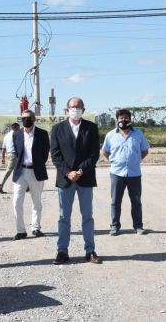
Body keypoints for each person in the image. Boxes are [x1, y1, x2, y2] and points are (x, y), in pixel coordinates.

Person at [50, 97, 102, 265]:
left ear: (83, 109)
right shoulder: (58, 129)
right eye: (73, 106)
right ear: (67, 109)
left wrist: (80, 171)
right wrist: (68, 172)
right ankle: (62, 251)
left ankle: (90, 251)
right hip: (66, 180)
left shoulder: (91, 128)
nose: (75, 109)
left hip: (85, 178)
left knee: (87, 216)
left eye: (79, 106)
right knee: (64, 217)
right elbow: (55, 155)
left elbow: (94, 154)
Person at [101, 109, 150, 236]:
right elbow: (104, 151)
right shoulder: (111, 135)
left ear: (130, 119)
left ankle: (138, 226)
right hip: (117, 173)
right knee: (115, 201)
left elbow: (145, 150)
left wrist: (136, 160)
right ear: (117, 120)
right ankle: (115, 226)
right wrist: (113, 162)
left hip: (134, 173)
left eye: (126, 118)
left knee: (136, 201)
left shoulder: (138, 134)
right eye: (121, 118)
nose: (123, 120)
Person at [11, 110, 50, 240]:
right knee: (17, 201)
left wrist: (37, 164)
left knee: (36, 201)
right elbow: (17, 153)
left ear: (34, 119)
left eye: (28, 118)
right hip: (21, 172)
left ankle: (36, 228)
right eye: (23, 118)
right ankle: (21, 230)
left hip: (36, 171)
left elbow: (45, 153)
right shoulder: (16, 134)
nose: (25, 120)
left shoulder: (42, 134)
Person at [0, 122, 20, 193]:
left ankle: (25, 186)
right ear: (16, 127)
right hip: (15, 154)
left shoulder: (6, 136)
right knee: (9, 170)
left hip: (9, 154)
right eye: (18, 128)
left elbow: (3, 148)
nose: (19, 129)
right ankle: (0, 185)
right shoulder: (17, 134)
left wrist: (3, 158)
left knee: (21, 170)